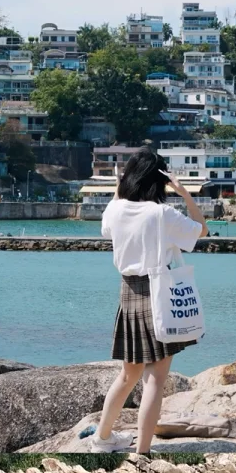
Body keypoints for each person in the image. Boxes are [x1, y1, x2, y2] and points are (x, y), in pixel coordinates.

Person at [78, 148, 206, 455]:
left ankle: (103, 439)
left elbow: (109, 219)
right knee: (154, 380)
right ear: (158, 180)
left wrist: (120, 184)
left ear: (129, 177)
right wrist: (183, 191)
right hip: (158, 292)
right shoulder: (161, 214)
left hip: (128, 293)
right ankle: (143, 453)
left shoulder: (115, 211)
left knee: (127, 375)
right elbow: (201, 230)